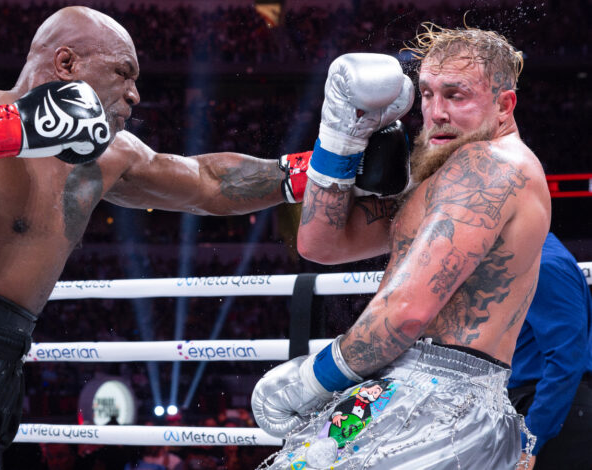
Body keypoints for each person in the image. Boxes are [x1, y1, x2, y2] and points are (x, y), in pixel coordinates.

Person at [0, 6, 313, 470]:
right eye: (124, 73)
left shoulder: (108, 157)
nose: (136, 95)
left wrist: (325, 168)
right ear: (66, 63)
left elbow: (207, 182)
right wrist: (20, 126)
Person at [251, 24, 551, 469]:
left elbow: (408, 311)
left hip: (437, 400)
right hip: (406, 392)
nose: (436, 112)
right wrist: (341, 137)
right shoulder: (443, 174)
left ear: (504, 104)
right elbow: (321, 244)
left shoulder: (488, 165)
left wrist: (312, 379)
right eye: (427, 95)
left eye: (456, 95)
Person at [507, 232, 592, 469]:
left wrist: (530, 442)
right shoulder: (527, 259)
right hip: (537, 406)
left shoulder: (544, 263)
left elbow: (567, 359)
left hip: (552, 410)